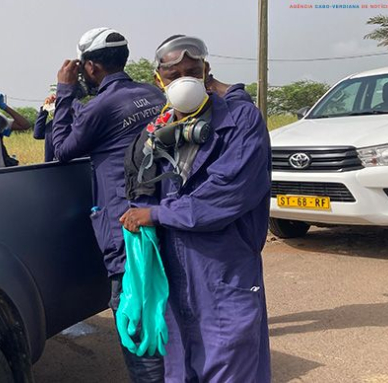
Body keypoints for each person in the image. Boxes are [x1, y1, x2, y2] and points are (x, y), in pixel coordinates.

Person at [120, 35, 272, 382]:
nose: (184, 81)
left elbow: (229, 193)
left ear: (206, 72)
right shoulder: (157, 130)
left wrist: (157, 214)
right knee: (180, 366)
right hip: (172, 272)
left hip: (223, 269)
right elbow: (141, 187)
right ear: (159, 79)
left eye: (192, 71)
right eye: (174, 75)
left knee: (231, 362)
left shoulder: (239, 121)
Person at [51, 27, 166, 382]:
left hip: (126, 225)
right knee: (163, 306)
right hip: (163, 214)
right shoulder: (153, 94)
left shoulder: (100, 105)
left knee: (135, 313)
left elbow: (61, 149)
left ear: (91, 68)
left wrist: (65, 92)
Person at [32, 94, 56, 162]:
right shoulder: (52, 124)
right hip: (51, 166)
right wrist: (44, 109)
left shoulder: (75, 123)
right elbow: (37, 134)